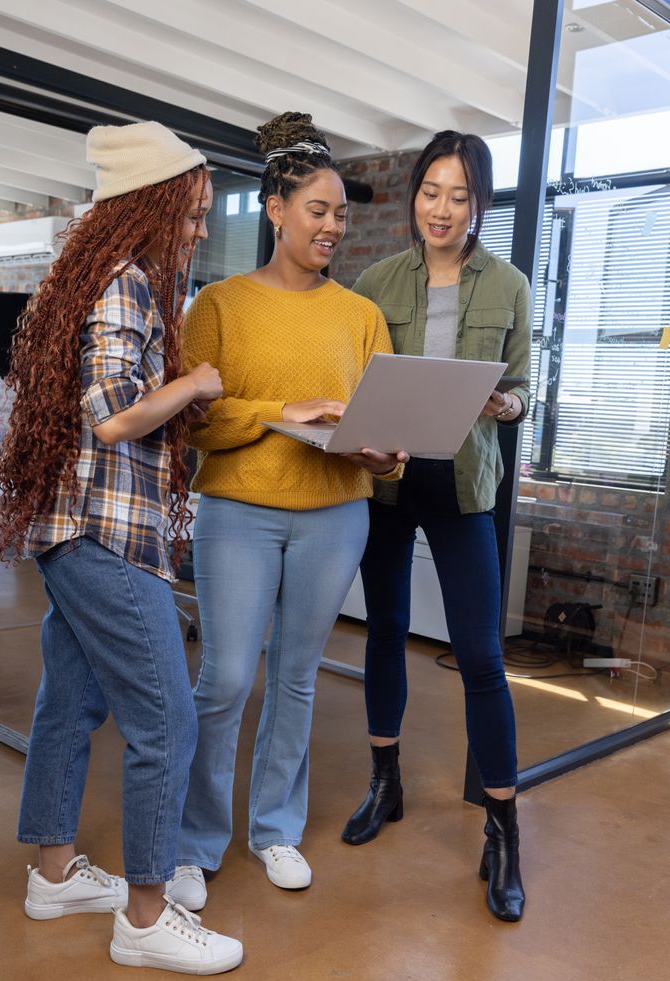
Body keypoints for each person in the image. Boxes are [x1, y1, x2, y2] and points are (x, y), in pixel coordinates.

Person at [0, 120, 243, 974]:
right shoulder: (129, 282)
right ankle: (145, 917)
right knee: (167, 720)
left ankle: (54, 874)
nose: (200, 230)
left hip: (70, 534)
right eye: (193, 213)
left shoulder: (93, 277)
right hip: (105, 538)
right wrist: (197, 382)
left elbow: (113, 405)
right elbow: (112, 414)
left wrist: (179, 401)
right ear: (153, 204)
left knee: (69, 703)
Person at [166, 112, 407, 910]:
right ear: (276, 210)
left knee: (297, 679)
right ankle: (194, 843)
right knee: (228, 676)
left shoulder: (361, 316)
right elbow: (194, 420)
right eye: (319, 210)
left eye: (342, 214)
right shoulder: (222, 305)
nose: (334, 226)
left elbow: (385, 421)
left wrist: (384, 452)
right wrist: (284, 410)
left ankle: (274, 830)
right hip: (239, 510)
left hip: (337, 514)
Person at [340, 131, 531, 923]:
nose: (441, 209)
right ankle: (385, 783)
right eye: (430, 192)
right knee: (384, 630)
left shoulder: (509, 285)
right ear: (415, 195)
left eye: (458, 195)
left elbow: (522, 389)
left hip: (462, 485)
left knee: (481, 657)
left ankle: (504, 832)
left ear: (480, 203)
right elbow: (355, 380)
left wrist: (506, 404)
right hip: (387, 482)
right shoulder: (376, 280)